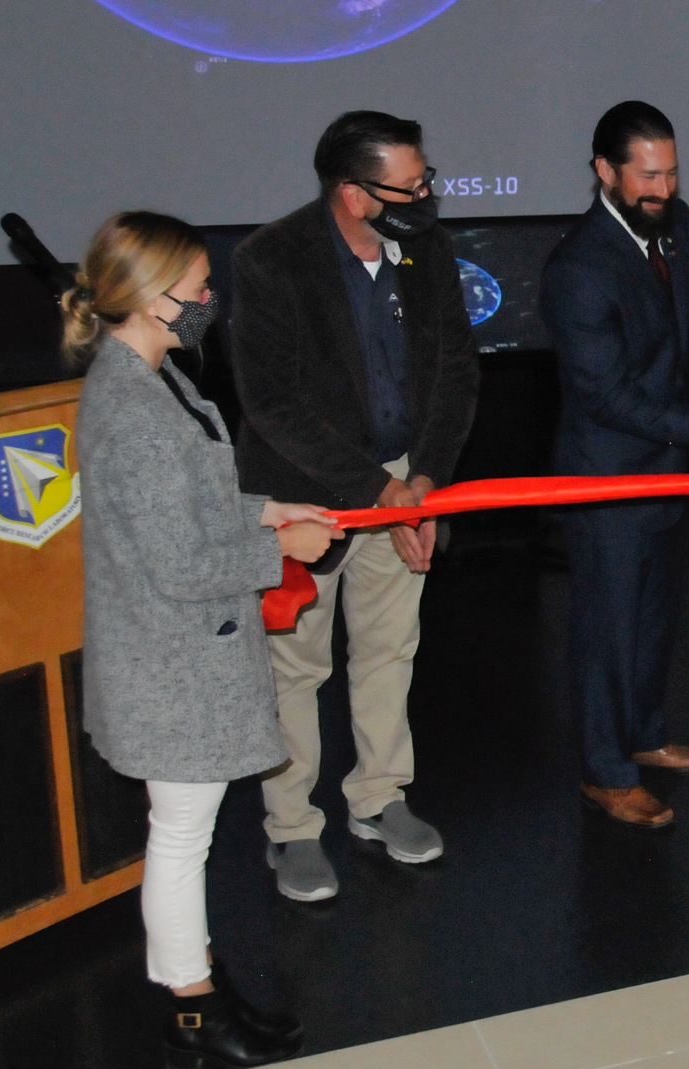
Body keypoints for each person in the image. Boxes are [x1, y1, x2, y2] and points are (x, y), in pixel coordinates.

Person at [68, 212, 343, 1069]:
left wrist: (266, 509)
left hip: (184, 655)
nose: (209, 300)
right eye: (197, 287)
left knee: (188, 833)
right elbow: (181, 562)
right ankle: (190, 1012)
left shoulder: (158, 378)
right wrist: (280, 550)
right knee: (182, 836)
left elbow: (195, 503)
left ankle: (200, 985)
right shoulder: (132, 409)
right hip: (169, 664)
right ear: (153, 299)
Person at [229, 111, 480, 900]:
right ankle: (292, 831)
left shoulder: (425, 247)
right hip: (303, 491)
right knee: (297, 665)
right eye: (408, 184)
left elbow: (455, 371)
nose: (425, 193)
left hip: (404, 478)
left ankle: (378, 798)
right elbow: (272, 404)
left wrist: (425, 482)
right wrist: (383, 492)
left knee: (388, 646)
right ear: (350, 191)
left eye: (424, 177)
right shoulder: (270, 260)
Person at [539, 101, 689, 828]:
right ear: (605, 171)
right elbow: (604, 395)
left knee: (655, 615)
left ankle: (644, 735)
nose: (663, 187)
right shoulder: (577, 266)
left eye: (671, 171)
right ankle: (605, 772)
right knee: (608, 627)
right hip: (609, 474)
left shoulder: (678, 223)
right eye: (648, 174)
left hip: (670, 467)